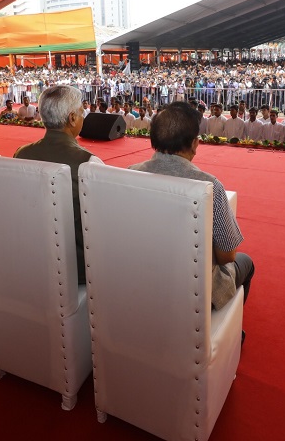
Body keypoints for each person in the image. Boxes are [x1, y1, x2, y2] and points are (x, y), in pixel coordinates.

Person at [128, 101, 253, 312]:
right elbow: (227, 255)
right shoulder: (209, 185)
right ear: (195, 143)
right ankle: (229, 328)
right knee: (245, 262)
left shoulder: (129, 173)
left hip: (141, 274)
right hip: (195, 288)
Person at [14, 85, 103, 285]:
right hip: (75, 265)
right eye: (81, 111)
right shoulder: (89, 163)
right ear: (72, 118)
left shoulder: (21, 153)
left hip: (31, 255)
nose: (83, 116)